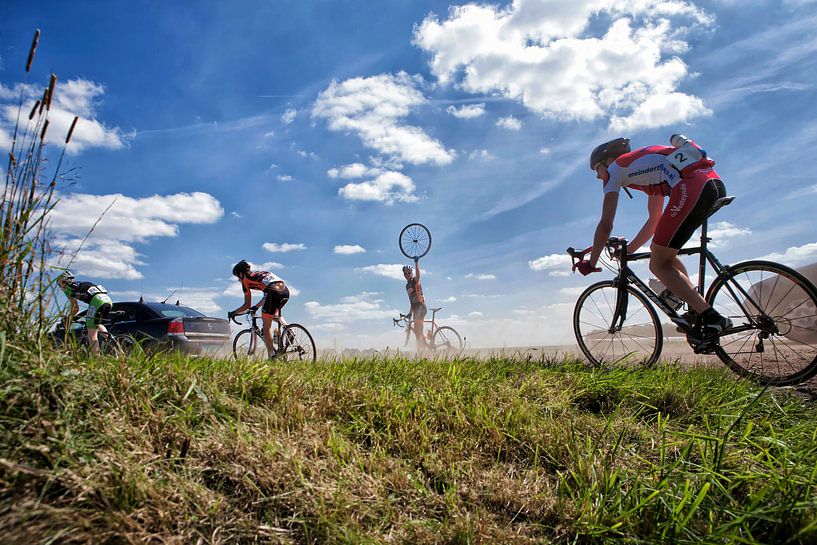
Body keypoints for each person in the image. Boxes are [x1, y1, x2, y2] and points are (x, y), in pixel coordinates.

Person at [576, 135, 732, 343]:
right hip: (711, 183)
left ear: (609, 162)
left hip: (691, 188)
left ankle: (713, 318)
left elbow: (605, 225)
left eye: (597, 170)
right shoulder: (647, 165)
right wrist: (629, 250)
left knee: (658, 264)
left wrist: (591, 263)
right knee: (663, 252)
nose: (598, 177)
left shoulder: (615, 171)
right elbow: (654, 221)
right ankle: (697, 308)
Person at [228, 260, 290, 358]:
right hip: (285, 291)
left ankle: (272, 356)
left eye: (237, 277)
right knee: (273, 315)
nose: (238, 280)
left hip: (272, 293)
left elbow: (246, 305)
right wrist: (256, 306)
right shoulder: (260, 274)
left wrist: (233, 313)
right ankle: (288, 329)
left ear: (240, 274)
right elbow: (267, 293)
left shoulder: (245, 281)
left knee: (266, 328)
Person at [56, 270, 114, 354]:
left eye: (59, 284)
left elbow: (75, 308)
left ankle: (96, 360)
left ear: (64, 282)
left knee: (92, 335)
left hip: (97, 301)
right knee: (96, 324)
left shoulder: (68, 289)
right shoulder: (79, 283)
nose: (60, 287)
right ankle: (113, 341)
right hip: (107, 300)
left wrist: (68, 319)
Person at [402, 258, 427, 350]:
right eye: (405, 273)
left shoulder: (415, 281)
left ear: (412, 273)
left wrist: (416, 262)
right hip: (415, 308)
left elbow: (418, 274)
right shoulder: (407, 285)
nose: (407, 275)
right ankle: (426, 347)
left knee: (417, 330)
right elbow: (411, 301)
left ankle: (422, 351)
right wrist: (409, 312)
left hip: (421, 306)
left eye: (409, 273)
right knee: (419, 332)